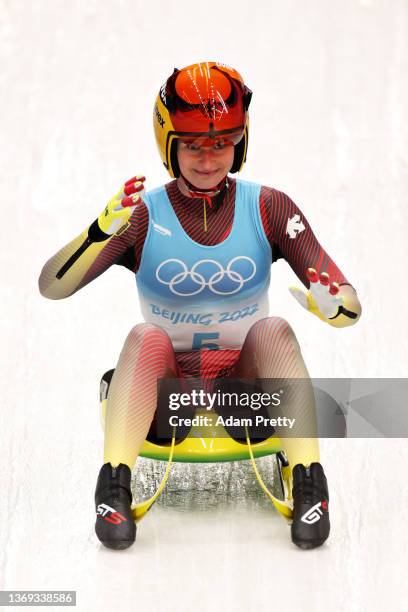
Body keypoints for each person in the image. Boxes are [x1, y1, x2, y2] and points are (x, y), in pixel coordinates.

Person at [39, 61, 361, 551]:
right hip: (170, 398)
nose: (208, 160)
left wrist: (332, 307)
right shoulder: (141, 214)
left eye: (221, 143)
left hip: (245, 396)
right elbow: (52, 287)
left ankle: (311, 484)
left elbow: (349, 303)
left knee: (274, 329)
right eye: (193, 145)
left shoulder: (270, 207)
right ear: (170, 145)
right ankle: (112, 489)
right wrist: (99, 232)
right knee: (143, 337)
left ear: (241, 141)